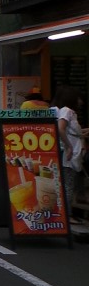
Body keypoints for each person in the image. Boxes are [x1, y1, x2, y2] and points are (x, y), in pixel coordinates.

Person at [55, 85, 88, 214]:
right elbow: (60, 128)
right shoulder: (67, 111)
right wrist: (69, 146)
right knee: (68, 185)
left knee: (69, 184)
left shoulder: (69, 113)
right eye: (79, 98)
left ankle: (65, 216)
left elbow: (70, 131)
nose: (81, 102)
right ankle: (65, 217)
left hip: (73, 153)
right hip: (70, 155)